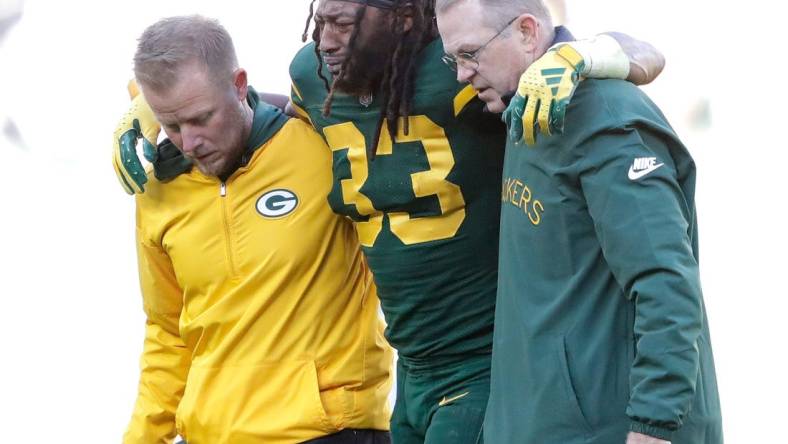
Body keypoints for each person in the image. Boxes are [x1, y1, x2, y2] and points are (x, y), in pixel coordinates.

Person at [112, 2, 664, 442]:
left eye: (343, 23)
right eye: (319, 18)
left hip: (481, 357)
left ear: (400, 18)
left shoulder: (459, 65)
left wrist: (582, 57)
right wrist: (154, 116)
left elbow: (640, 53)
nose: (323, 38)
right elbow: (257, 115)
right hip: (412, 369)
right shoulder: (313, 78)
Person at [436, 0, 723, 443]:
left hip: (611, 429)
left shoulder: (604, 118)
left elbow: (666, 283)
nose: (461, 73)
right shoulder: (525, 110)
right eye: (453, 58)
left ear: (528, 32)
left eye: (470, 54)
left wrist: (653, 425)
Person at [122, 15, 392, 444]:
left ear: (240, 83)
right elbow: (167, 333)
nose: (189, 142)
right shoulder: (158, 190)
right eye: (172, 125)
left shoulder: (323, 144)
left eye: (201, 118)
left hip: (330, 429)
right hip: (210, 434)